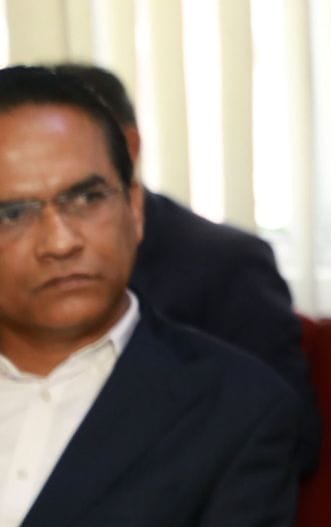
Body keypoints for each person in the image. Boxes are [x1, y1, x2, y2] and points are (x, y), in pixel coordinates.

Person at [0, 67, 303, 527]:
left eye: (86, 199)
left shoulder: (235, 408)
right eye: (13, 213)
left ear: (135, 209)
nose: (59, 240)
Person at [47, 63, 316, 474]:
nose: (57, 239)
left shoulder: (226, 265)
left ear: (128, 146)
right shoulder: (17, 267)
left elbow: (290, 436)